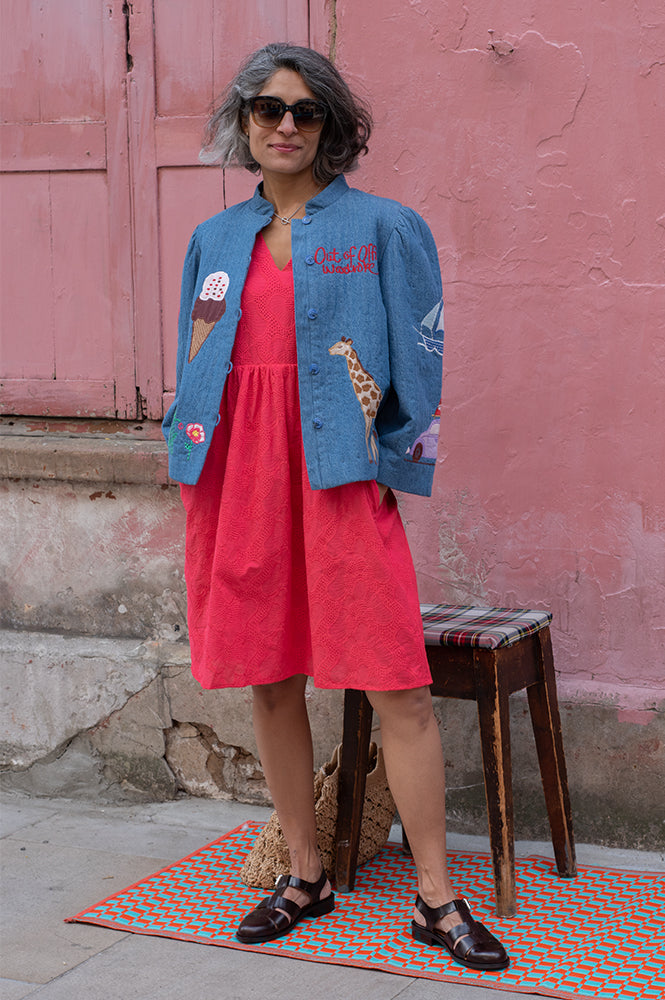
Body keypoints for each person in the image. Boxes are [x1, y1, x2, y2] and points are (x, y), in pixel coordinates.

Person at [163, 43, 509, 972]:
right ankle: (305, 874)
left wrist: (393, 462)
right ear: (243, 123)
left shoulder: (384, 227)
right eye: (267, 109)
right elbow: (198, 353)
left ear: (332, 128)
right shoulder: (213, 241)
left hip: (339, 475)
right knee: (270, 677)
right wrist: (189, 451)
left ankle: (436, 897)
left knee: (396, 684)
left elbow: (421, 351)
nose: (285, 125)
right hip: (240, 477)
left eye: (305, 111)